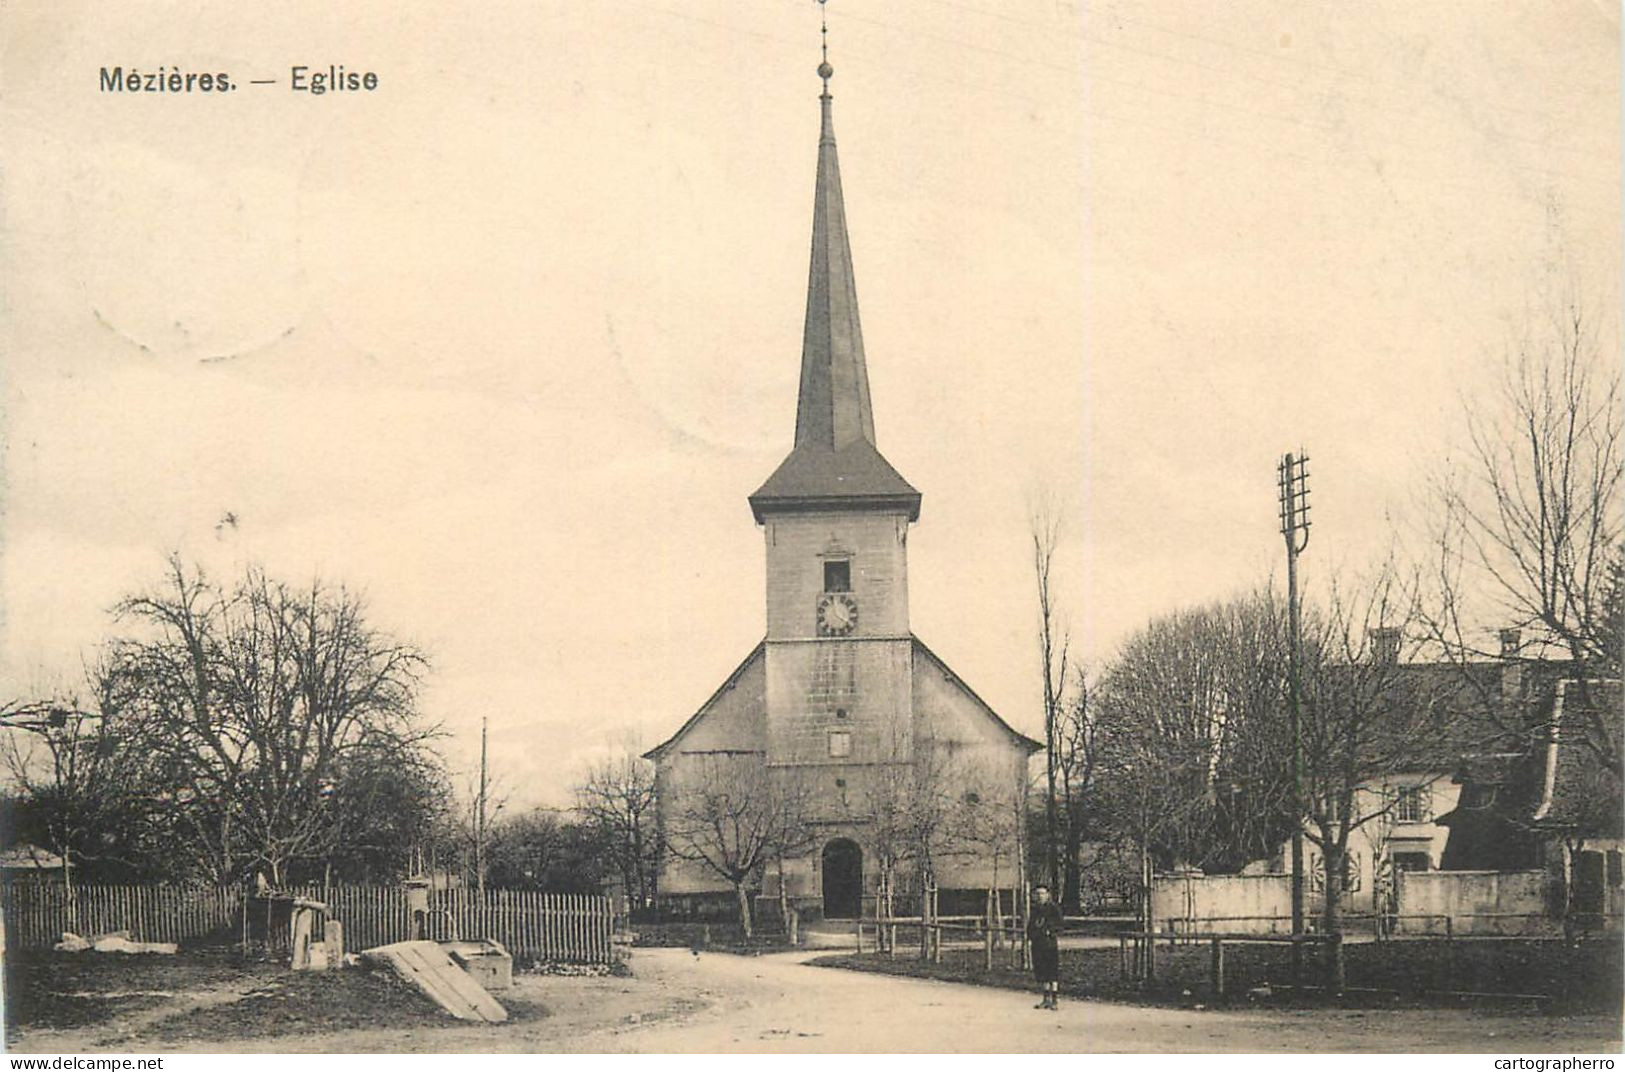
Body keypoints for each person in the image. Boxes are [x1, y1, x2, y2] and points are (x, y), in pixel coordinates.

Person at [1026, 884, 1063, 1010]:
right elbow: (1031, 925)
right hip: (1038, 944)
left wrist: (1050, 932)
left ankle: (1054, 1000)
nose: (1040, 896)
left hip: (1049, 944)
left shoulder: (1053, 908)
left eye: (1042, 893)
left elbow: (1060, 924)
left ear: (1048, 895)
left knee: (1052, 971)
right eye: (1038, 894)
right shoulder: (1035, 909)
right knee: (1041, 972)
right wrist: (1031, 936)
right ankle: (1045, 999)